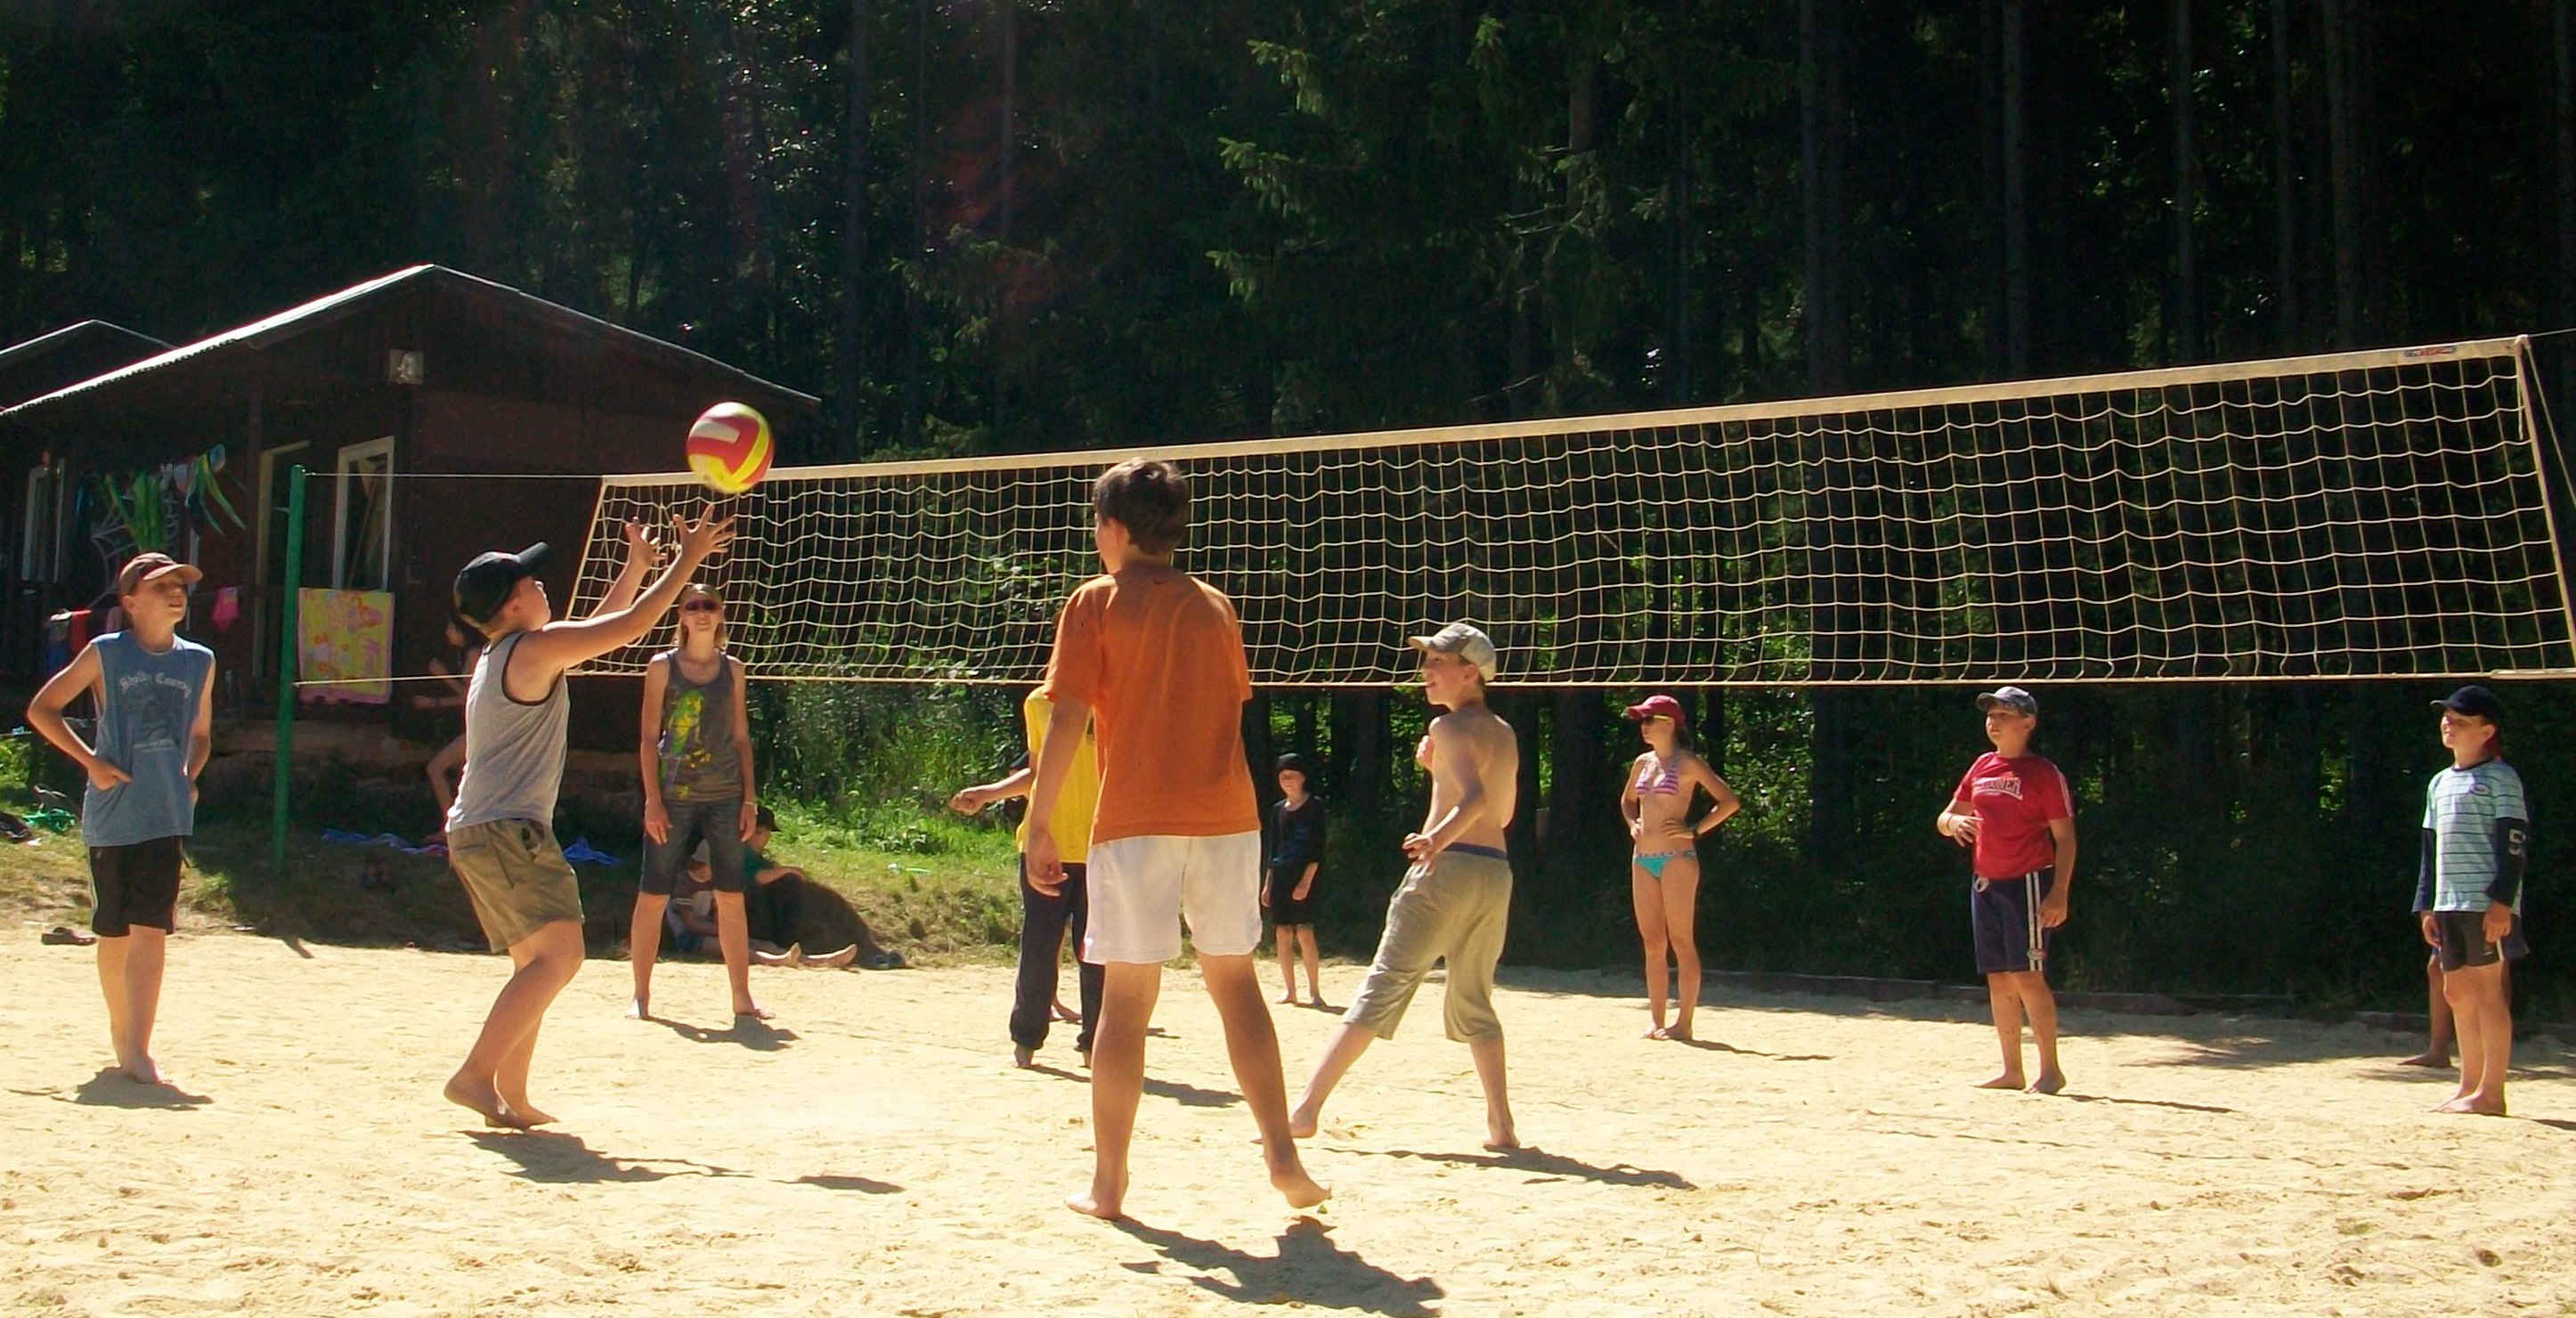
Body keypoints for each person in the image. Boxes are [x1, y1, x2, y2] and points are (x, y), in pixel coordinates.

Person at [1021, 457, 1327, 1218]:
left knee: (1126, 1001)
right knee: (1236, 985)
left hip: (1136, 818)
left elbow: (1068, 717)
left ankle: (1108, 1184)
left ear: (1113, 528)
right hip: (1227, 817)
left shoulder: (1094, 601)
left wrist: (1039, 823)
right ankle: (1282, 1156)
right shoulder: (1214, 606)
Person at [441, 511, 731, 1129]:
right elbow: (629, 628)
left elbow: (601, 631)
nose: (541, 584)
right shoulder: (531, 649)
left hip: (483, 831)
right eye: (531, 581)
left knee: (535, 963)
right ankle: (474, 1076)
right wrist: (688, 559)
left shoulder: (508, 652)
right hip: (506, 830)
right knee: (561, 957)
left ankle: (511, 1096)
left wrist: (636, 568)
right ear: (514, 604)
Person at [1289, 622, 1522, 1151]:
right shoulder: (1503, 732)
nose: (1426, 671)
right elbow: (1501, 813)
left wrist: (1435, 838)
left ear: (1470, 672)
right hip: (1494, 872)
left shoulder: (1448, 727)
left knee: (1384, 984)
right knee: (1475, 1000)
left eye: (1437, 662)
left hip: (1448, 868)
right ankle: (1502, 1126)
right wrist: (1439, 774)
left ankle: (1304, 1111)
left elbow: (1476, 800)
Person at [27, 552, 215, 1087]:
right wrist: (92, 763)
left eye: (180, 586)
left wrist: (189, 774)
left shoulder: (199, 660)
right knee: (114, 931)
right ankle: (121, 1033)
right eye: (160, 587)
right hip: (113, 815)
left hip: (166, 814)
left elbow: (201, 734)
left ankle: (138, 1048)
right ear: (130, 602)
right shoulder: (106, 652)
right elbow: (43, 709)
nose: (175, 593)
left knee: (151, 928)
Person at [627, 583, 766, 1022]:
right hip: (674, 795)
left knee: (731, 896)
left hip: (725, 795)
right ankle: (641, 996)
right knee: (653, 894)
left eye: (709, 605)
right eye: (693, 606)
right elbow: (648, 738)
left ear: (721, 615)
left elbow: (741, 738)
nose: (701, 612)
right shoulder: (661, 667)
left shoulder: (734, 669)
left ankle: (742, 998)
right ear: (682, 617)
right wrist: (652, 801)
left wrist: (749, 799)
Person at [948, 691, 1104, 1068]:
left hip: (1102, 848)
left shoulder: (1113, 697)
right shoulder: (1038, 702)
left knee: (1098, 954)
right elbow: (1038, 771)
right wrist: (988, 793)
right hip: (1044, 848)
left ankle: (1095, 1044)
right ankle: (1027, 1038)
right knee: (1039, 947)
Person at [1934, 685, 2076, 1094]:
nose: (1993, 722)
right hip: (1985, 883)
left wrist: (2059, 892)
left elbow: (2066, 838)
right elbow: (1945, 817)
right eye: (1991, 715)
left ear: (2027, 723)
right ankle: (2012, 1071)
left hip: (2027, 882)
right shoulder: (1982, 765)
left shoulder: (2043, 773)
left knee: (2027, 976)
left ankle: (2050, 1071)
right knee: (1998, 978)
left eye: (2003, 716)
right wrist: (1953, 824)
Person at [2415, 685, 2530, 1116]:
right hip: (2448, 901)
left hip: (2485, 904)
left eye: (2461, 721)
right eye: (2447, 718)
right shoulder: (2439, 782)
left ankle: (2492, 1093)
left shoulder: (2502, 778)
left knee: (2487, 992)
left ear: (2487, 731)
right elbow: (2430, 850)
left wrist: (2502, 902)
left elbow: (2514, 843)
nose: (2449, 724)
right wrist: (2426, 905)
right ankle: (2468, 1086)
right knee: (2456, 991)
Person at [1616, 694, 1739, 1042]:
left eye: (1649, 720)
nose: (1643, 726)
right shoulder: (1642, 763)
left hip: (1677, 859)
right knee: (1652, 942)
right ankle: (1656, 1020)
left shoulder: (1688, 763)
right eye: (1642, 720)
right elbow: (1627, 801)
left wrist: (1694, 830)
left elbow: (1729, 802)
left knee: (1682, 941)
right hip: (1643, 858)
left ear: (1669, 724)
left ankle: (1684, 1022)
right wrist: (1632, 823)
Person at [739, 807, 864, 969]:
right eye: (760, 833)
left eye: (767, 833)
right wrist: (787, 871)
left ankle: (815, 955)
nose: (765, 838)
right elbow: (757, 878)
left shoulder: (756, 856)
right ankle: (812, 956)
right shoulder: (741, 853)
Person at [1264, 753, 1329, 1008]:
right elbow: (1273, 850)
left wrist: (1306, 882)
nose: (1287, 781)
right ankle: (1290, 990)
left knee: (1305, 933)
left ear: (1303, 777)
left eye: (1292, 775)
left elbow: (1318, 849)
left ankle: (1315, 992)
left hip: (1306, 876)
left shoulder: (1315, 806)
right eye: (1283, 776)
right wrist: (1268, 884)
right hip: (1281, 876)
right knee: (1282, 933)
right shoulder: (1277, 810)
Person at [418, 621, 481, 824]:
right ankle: (464, 826)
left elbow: (468, 696)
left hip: (482, 728)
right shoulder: (464, 654)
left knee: (436, 768)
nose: (447, 633)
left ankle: (450, 827)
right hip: (473, 725)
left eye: (451, 628)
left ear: (464, 631)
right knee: (466, 779)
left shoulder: (474, 654)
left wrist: (443, 677)